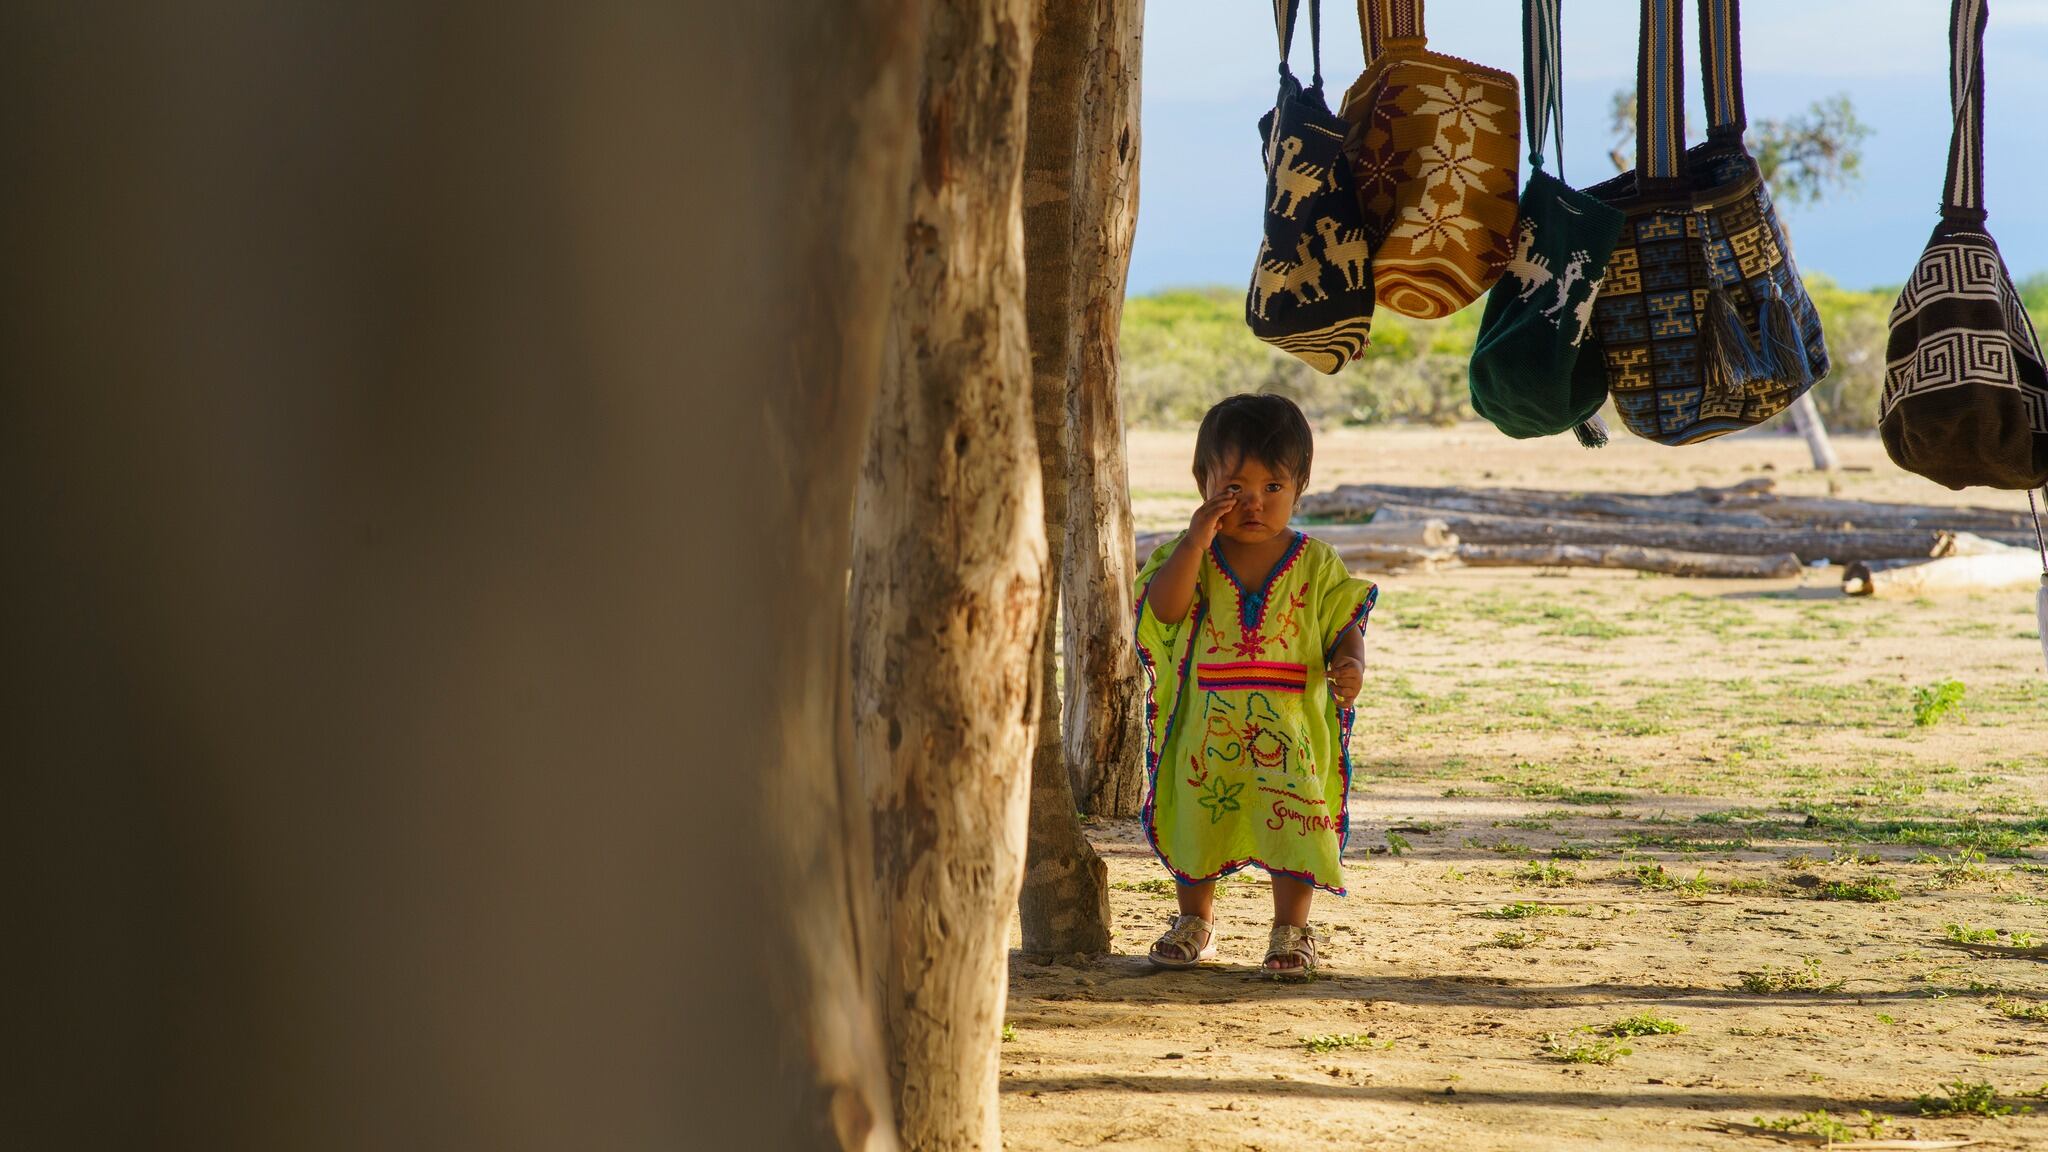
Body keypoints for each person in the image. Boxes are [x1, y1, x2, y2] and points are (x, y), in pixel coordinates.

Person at [1134, 393, 1377, 978]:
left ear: (1300, 488)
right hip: (1206, 723)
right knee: (1198, 816)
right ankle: (1195, 920)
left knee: (1295, 821)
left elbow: (1343, 626)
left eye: (1274, 487)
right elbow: (1164, 613)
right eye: (1235, 487)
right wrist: (1194, 541)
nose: (1254, 503)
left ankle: (1291, 929)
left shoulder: (1316, 562)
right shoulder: (1187, 554)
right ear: (1203, 482)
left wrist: (1352, 666)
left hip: (1290, 727)